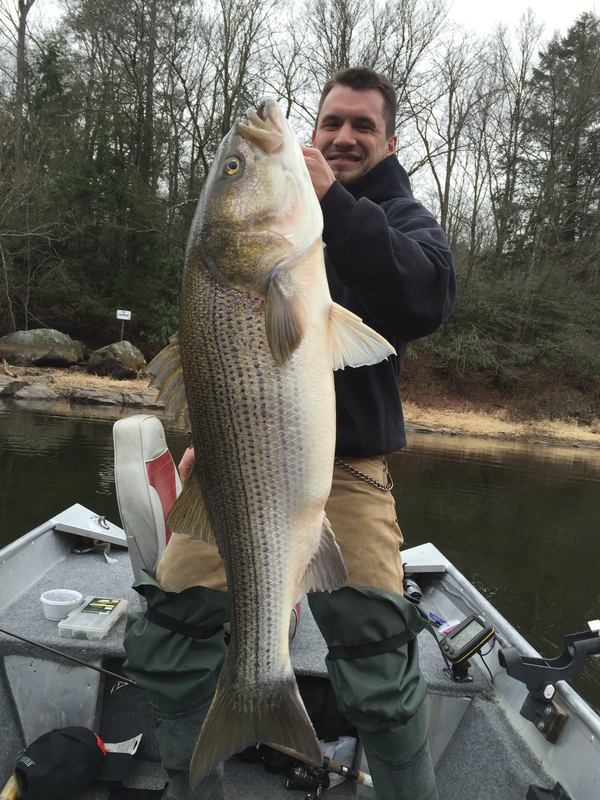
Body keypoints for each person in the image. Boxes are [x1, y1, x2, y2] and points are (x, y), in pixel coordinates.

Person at [122, 67, 455, 800]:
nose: (342, 137)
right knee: (171, 630)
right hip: (235, 465)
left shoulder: (401, 220)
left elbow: (426, 294)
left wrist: (335, 203)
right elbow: (205, 352)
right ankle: (190, 781)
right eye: (331, 122)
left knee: (378, 652)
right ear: (315, 132)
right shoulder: (258, 239)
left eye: (362, 126)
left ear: (390, 141)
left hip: (351, 473)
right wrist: (208, 424)